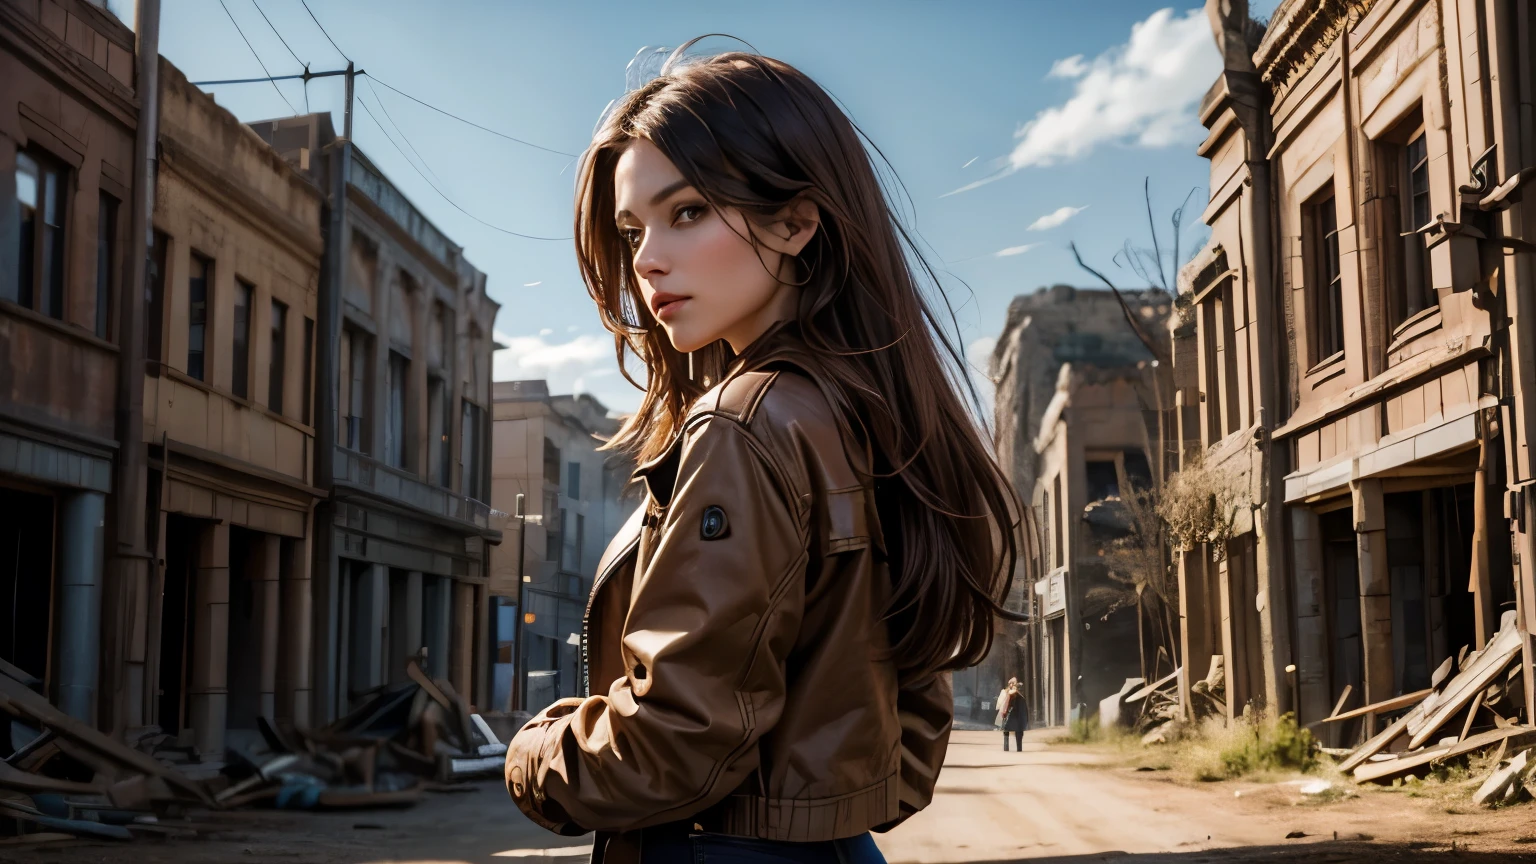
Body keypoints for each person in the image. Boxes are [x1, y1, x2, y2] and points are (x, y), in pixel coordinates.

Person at [504, 38, 1022, 864]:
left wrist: (533, 755)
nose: (648, 261)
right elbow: (909, 744)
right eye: (632, 230)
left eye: (688, 212)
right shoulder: (871, 418)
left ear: (796, 221)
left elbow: (671, 746)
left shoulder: (741, 426)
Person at [995, 678, 1027, 751]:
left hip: (1014, 714)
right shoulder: (1007, 693)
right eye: (1010, 683)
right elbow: (1003, 705)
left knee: (1014, 731)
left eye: (1013, 683)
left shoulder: (1014, 694)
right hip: (1011, 714)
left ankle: (1016, 748)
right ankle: (1011, 748)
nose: (1011, 685)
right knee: (1009, 731)